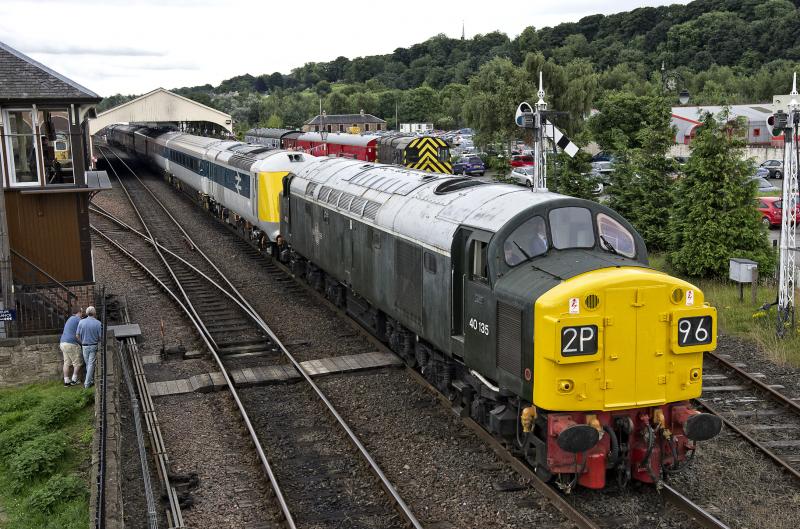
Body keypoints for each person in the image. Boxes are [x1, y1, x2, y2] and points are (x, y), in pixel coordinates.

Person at [76, 306, 102, 389]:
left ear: (86, 313)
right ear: (94, 313)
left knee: (88, 364)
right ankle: (87, 383)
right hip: (94, 345)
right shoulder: (98, 323)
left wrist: (82, 342)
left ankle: (89, 382)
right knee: (90, 365)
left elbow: (77, 335)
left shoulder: (81, 322)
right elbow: (100, 337)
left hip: (84, 346)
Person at [59, 307, 84, 386]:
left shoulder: (70, 319)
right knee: (78, 362)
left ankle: (66, 381)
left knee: (66, 363)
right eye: (82, 312)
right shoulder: (78, 319)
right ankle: (74, 380)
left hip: (63, 343)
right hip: (71, 344)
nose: (82, 314)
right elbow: (84, 328)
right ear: (79, 312)